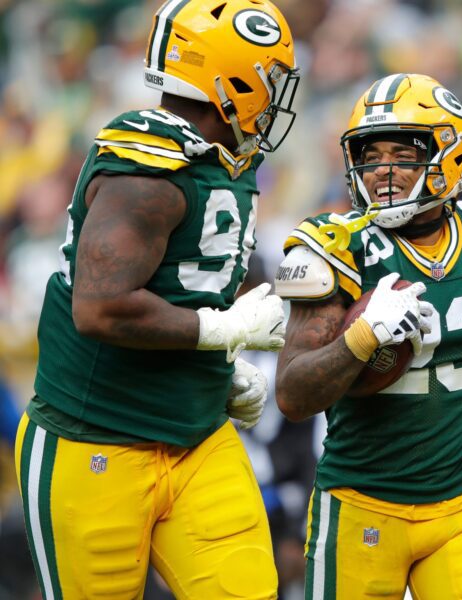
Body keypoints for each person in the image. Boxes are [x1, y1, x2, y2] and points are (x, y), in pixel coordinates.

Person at [14, 1, 299, 598]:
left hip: (197, 436)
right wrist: (222, 333)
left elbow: (184, 283)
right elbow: (100, 307)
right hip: (96, 439)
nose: (275, 95)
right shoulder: (146, 171)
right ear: (232, 81)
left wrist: (213, 373)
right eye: (268, 77)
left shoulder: (227, 157)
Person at [274, 73, 462, 599]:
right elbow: (292, 395)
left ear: (450, 155)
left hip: (460, 503)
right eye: (370, 156)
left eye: (402, 155)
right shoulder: (336, 246)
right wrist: (361, 338)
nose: (381, 171)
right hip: (361, 504)